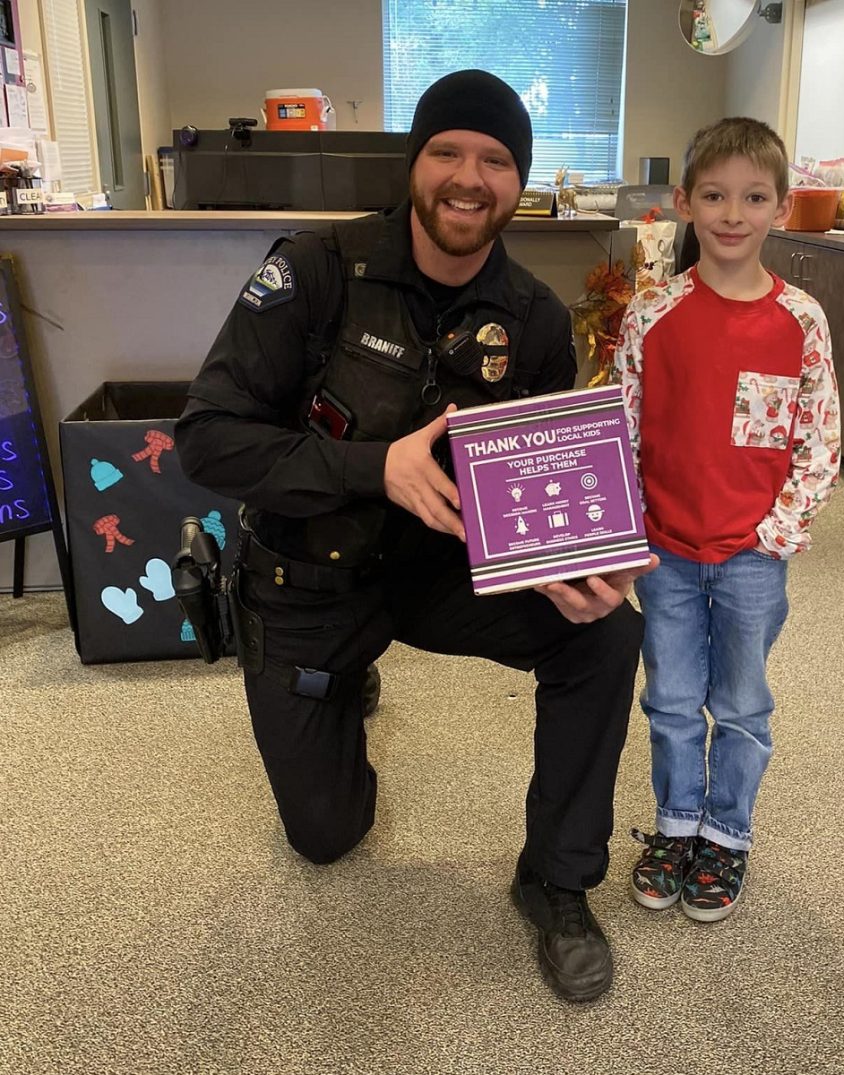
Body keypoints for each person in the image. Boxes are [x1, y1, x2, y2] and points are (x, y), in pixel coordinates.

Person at [175, 69, 653, 1002]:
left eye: (495, 159)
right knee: (326, 835)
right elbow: (208, 437)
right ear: (414, 163)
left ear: (519, 182)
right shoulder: (315, 270)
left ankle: (555, 880)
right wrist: (372, 467)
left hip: (443, 572)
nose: (468, 177)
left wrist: (569, 568)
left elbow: (541, 475)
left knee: (608, 630)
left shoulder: (536, 319)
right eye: (447, 152)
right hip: (311, 577)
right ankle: (345, 683)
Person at [613, 117, 840, 923]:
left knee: (741, 703)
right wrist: (629, 528)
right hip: (664, 552)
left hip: (752, 556)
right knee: (671, 698)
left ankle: (728, 833)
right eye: (714, 195)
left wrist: (774, 534)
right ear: (684, 202)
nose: (732, 213)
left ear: (780, 207)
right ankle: (677, 824)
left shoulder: (802, 320)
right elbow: (621, 430)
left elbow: (818, 440)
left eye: (753, 197)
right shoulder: (651, 315)